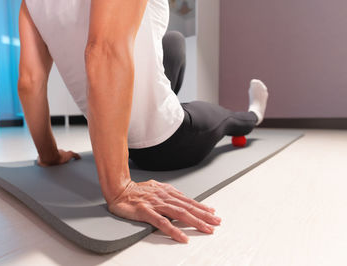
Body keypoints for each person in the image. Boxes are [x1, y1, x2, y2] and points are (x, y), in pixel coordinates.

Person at [18, 0, 268, 243]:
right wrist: (119, 189)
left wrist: (48, 155)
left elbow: (30, 82)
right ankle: (255, 113)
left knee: (174, 42)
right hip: (166, 143)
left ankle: (159, 100)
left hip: (114, 136)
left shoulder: (29, 4)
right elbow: (105, 51)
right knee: (226, 118)